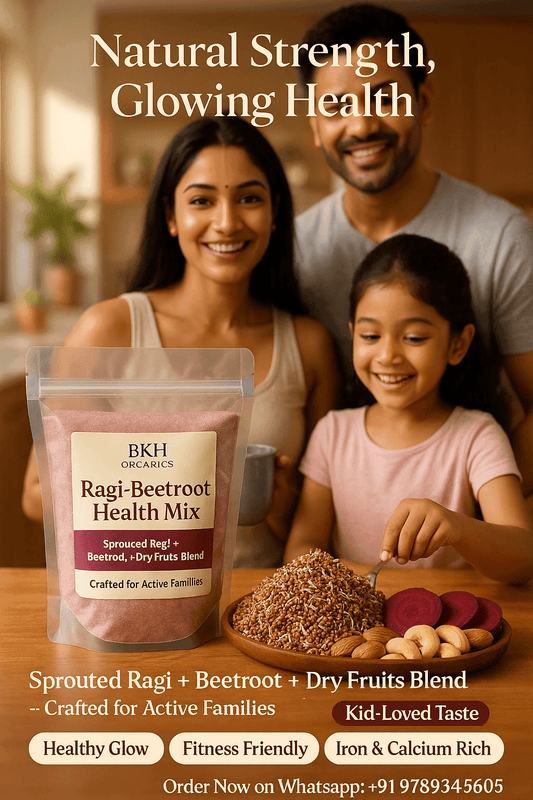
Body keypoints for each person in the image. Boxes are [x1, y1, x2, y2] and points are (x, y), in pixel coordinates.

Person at [22, 115, 338, 567]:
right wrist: (168, 484)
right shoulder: (109, 329)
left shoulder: (308, 345)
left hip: (261, 601)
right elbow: (37, 497)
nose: (226, 222)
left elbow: (317, 526)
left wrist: (280, 502)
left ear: (274, 215)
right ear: (171, 216)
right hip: (136, 593)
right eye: (202, 201)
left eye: (250, 198)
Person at [294, 3, 533, 502]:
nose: (362, 126)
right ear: (314, 125)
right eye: (336, 107)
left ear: (422, 102)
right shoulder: (297, 252)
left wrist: (479, 519)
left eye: (384, 98)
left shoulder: (501, 236)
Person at [284, 234, 533, 585]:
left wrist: (457, 527)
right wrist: (363, 583)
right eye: (370, 336)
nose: (388, 356)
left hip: (447, 615)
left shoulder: (477, 435)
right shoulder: (333, 433)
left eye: (414, 338)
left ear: (457, 344)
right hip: (358, 615)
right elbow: (300, 548)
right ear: (353, 334)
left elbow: (523, 558)